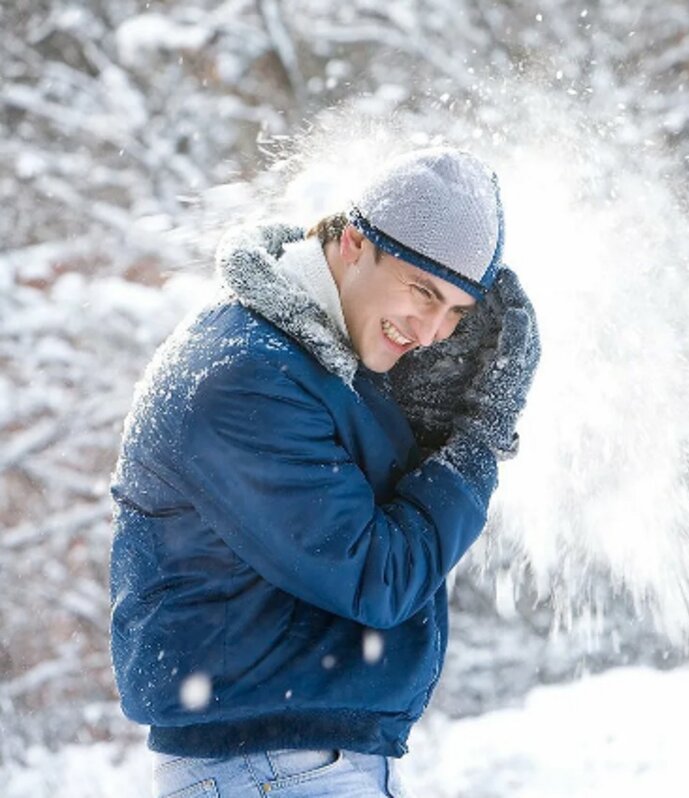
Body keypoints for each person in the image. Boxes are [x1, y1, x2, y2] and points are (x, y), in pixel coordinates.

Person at [109, 147, 540, 797]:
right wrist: (476, 439)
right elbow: (378, 575)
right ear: (354, 243)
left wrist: (417, 431)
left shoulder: (307, 365)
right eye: (423, 290)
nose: (430, 332)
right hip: (268, 768)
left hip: (294, 761)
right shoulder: (247, 377)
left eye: (454, 313)